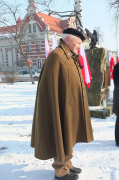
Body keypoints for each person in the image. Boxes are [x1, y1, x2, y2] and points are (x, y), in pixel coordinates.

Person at [31, 28, 94, 180]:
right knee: (60, 135)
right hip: (61, 107)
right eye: (78, 42)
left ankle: (68, 163)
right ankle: (61, 170)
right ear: (68, 40)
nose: (80, 46)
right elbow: (51, 88)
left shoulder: (70, 56)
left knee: (69, 135)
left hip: (71, 106)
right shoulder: (57, 56)